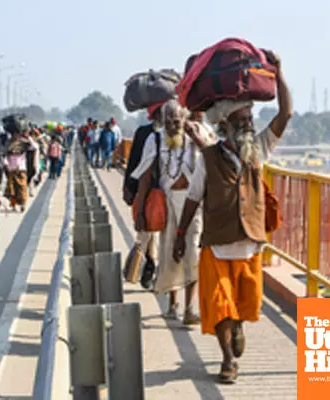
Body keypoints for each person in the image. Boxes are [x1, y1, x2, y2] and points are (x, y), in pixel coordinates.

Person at [173, 51, 291, 383]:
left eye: (249, 119)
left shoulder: (260, 150)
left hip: (250, 245)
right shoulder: (208, 158)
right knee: (220, 305)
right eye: (241, 120)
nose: (248, 124)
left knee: (242, 306)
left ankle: (237, 329)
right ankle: (227, 361)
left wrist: (279, 73)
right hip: (216, 247)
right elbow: (193, 199)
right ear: (224, 125)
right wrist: (181, 235)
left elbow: (286, 113)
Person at [131, 99, 205, 326]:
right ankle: (173, 305)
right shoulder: (154, 140)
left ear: (185, 118)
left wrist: (196, 138)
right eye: (169, 120)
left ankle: (190, 308)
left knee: (192, 252)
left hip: (192, 204)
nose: (174, 124)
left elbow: (213, 157)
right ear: (162, 120)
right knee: (170, 253)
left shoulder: (195, 134)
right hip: (168, 203)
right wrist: (141, 210)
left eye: (178, 119)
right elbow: (144, 174)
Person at [122, 102, 164, 289]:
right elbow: (134, 163)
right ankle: (146, 268)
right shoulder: (145, 134)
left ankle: (148, 269)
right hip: (148, 191)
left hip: (166, 192)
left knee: (155, 235)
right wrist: (129, 187)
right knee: (147, 233)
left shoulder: (175, 135)